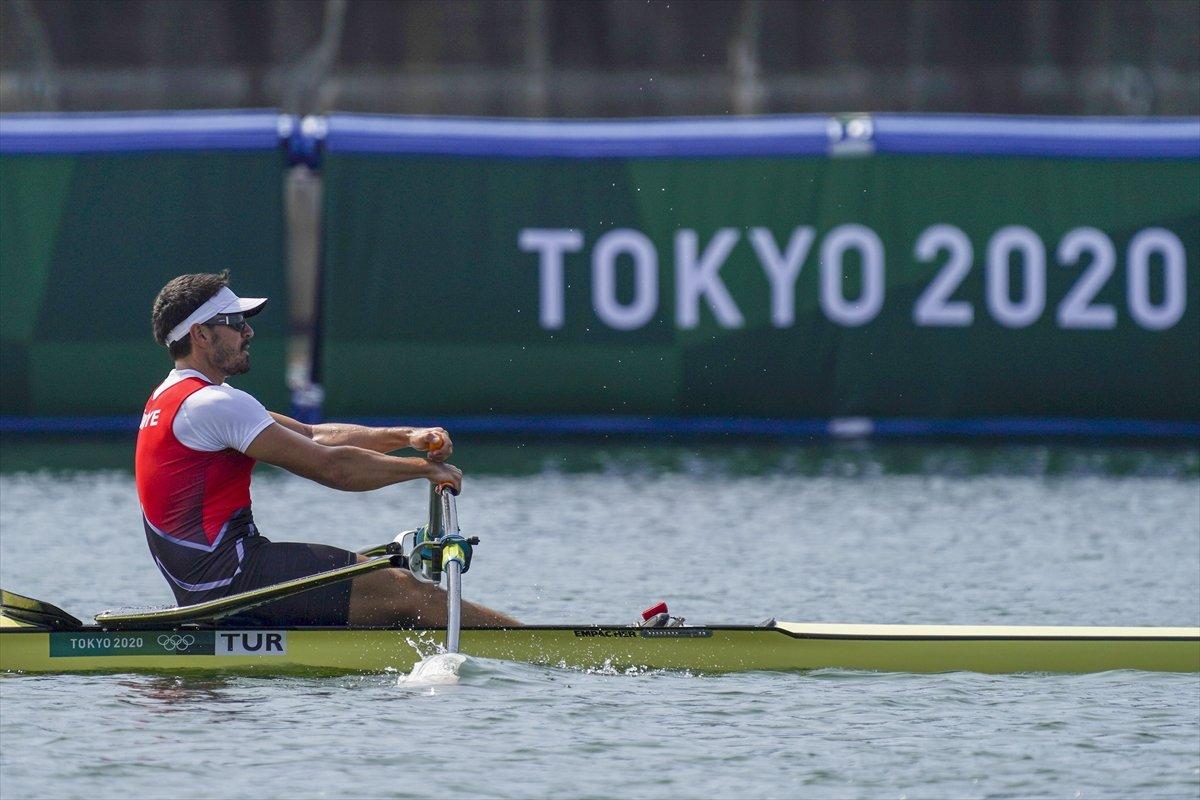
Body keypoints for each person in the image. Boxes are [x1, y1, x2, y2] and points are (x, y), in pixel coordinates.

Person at [138, 271, 518, 628]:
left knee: (381, 579)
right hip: (231, 576)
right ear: (201, 335)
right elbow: (332, 467)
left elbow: (314, 434)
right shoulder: (212, 404)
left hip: (212, 578)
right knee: (403, 589)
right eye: (236, 323)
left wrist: (407, 436)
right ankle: (545, 649)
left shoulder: (173, 398)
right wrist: (425, 469)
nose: (248, 331)